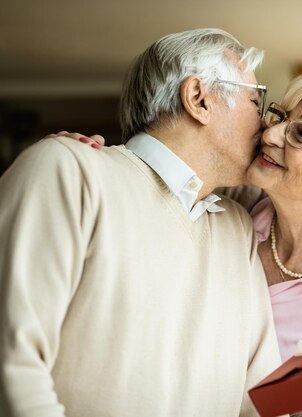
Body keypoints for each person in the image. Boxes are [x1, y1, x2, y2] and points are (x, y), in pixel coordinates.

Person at [67, 70, 302, 417]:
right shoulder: (227, 197)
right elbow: (148, 191)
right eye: (280, 117)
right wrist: (103, 164)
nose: (271, 135)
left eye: (301, 135)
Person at [0, 29, 282, 417]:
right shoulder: (67, 171)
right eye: (257, 100)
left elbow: (260, 397)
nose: (268, 126)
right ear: (199, 99)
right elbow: (13, 362)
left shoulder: (237, 229)